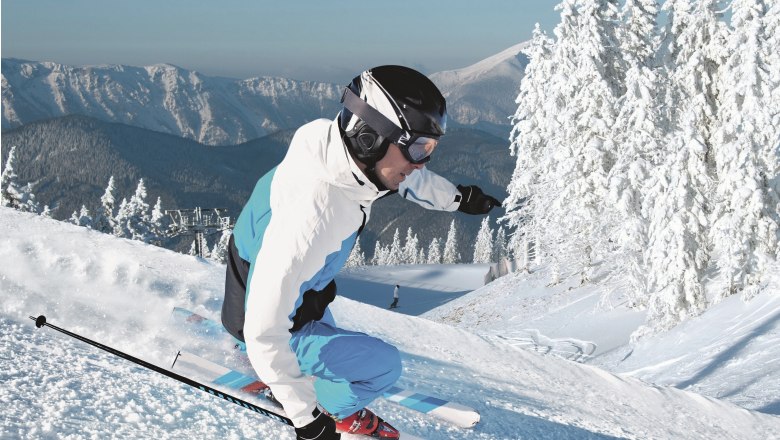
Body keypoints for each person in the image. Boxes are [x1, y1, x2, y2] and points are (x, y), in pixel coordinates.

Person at [221, 65, 500, 440]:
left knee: (330, 337)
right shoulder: (315, 216)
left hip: (271, 278)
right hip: (258, 307)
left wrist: (457, 198)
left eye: (430, 148)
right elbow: (264, 327)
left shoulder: (332, 145)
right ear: (368, 138)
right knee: (382, 365)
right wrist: (306, 417)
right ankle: (333, 407)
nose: (422, 162)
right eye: (417, 147)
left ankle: (270, 359)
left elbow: (401, 175)